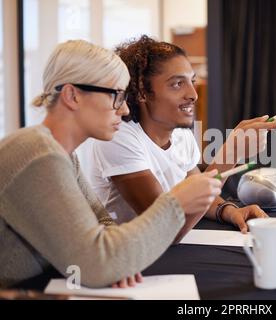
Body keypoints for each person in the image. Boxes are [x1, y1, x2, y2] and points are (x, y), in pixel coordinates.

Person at [0, 40, 222, 289]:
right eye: (116, 96)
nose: (125, 109)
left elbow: (102, 224)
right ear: (73, 95)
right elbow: (97, 266)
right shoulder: (39, 156)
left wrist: (116, 261)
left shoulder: (64, 155)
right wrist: (176, 203)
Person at [87, 36, 276, 240]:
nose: (193, 94)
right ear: (143, 92)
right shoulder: (118, 137)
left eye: (192, 81)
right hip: (126, 255)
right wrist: (229, 155)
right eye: (178, 84)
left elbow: (195, 195)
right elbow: (166, 229)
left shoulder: (181, 135)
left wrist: (229, 211)